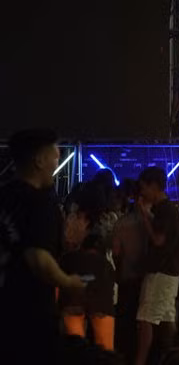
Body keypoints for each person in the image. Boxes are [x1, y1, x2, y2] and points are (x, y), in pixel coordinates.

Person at [0, 129, 85, 364]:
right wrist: (69, 282)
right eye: (55, 157)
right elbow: (38, 257)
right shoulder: (41, 203)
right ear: (39, 161)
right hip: (29, 313)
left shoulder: (5, 194)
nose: (57, 164)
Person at [136, 166, 179, 365]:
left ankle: (141, 361)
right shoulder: (171, 209)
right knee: (166, 317)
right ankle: (170, 358)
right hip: (171, 271)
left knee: (146, 318)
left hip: (160, 271)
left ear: (154, 186)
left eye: (144, 188)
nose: (142, 193)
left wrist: (144, 214)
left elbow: (158, 240)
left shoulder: (163, 209)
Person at [112, 179, 149, 358]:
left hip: (126, 276)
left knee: (126, 322)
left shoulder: (121, 223)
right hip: (149, 278)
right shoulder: (151, 222)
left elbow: (116, 252)